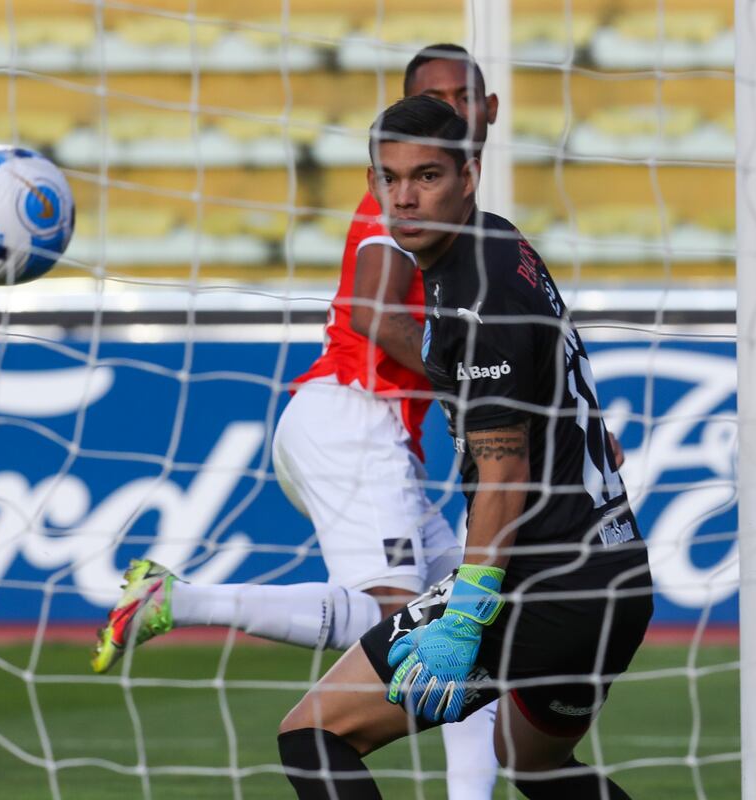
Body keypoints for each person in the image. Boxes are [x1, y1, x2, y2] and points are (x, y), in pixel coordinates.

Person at [91, 45, 508, 800]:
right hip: (353, 415)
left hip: (362, 426)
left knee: (477, 631)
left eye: (464, 96)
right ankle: (180, 601)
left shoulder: (465, 219)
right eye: (434, 97)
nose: (453, 110)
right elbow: (379, 316)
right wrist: (478, 385)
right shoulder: (397, 200)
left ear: (492, 110)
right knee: (394, 616)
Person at [274, 96, 654, 800]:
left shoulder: (475, 303)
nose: (406, 199)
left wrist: (467, 612)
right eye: (389, 180)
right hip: (616, 577)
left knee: (313, 734)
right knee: (530, 759)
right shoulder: (501, 245)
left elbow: (504, 471)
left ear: (470, 175)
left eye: (427, 177)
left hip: (540, 583)